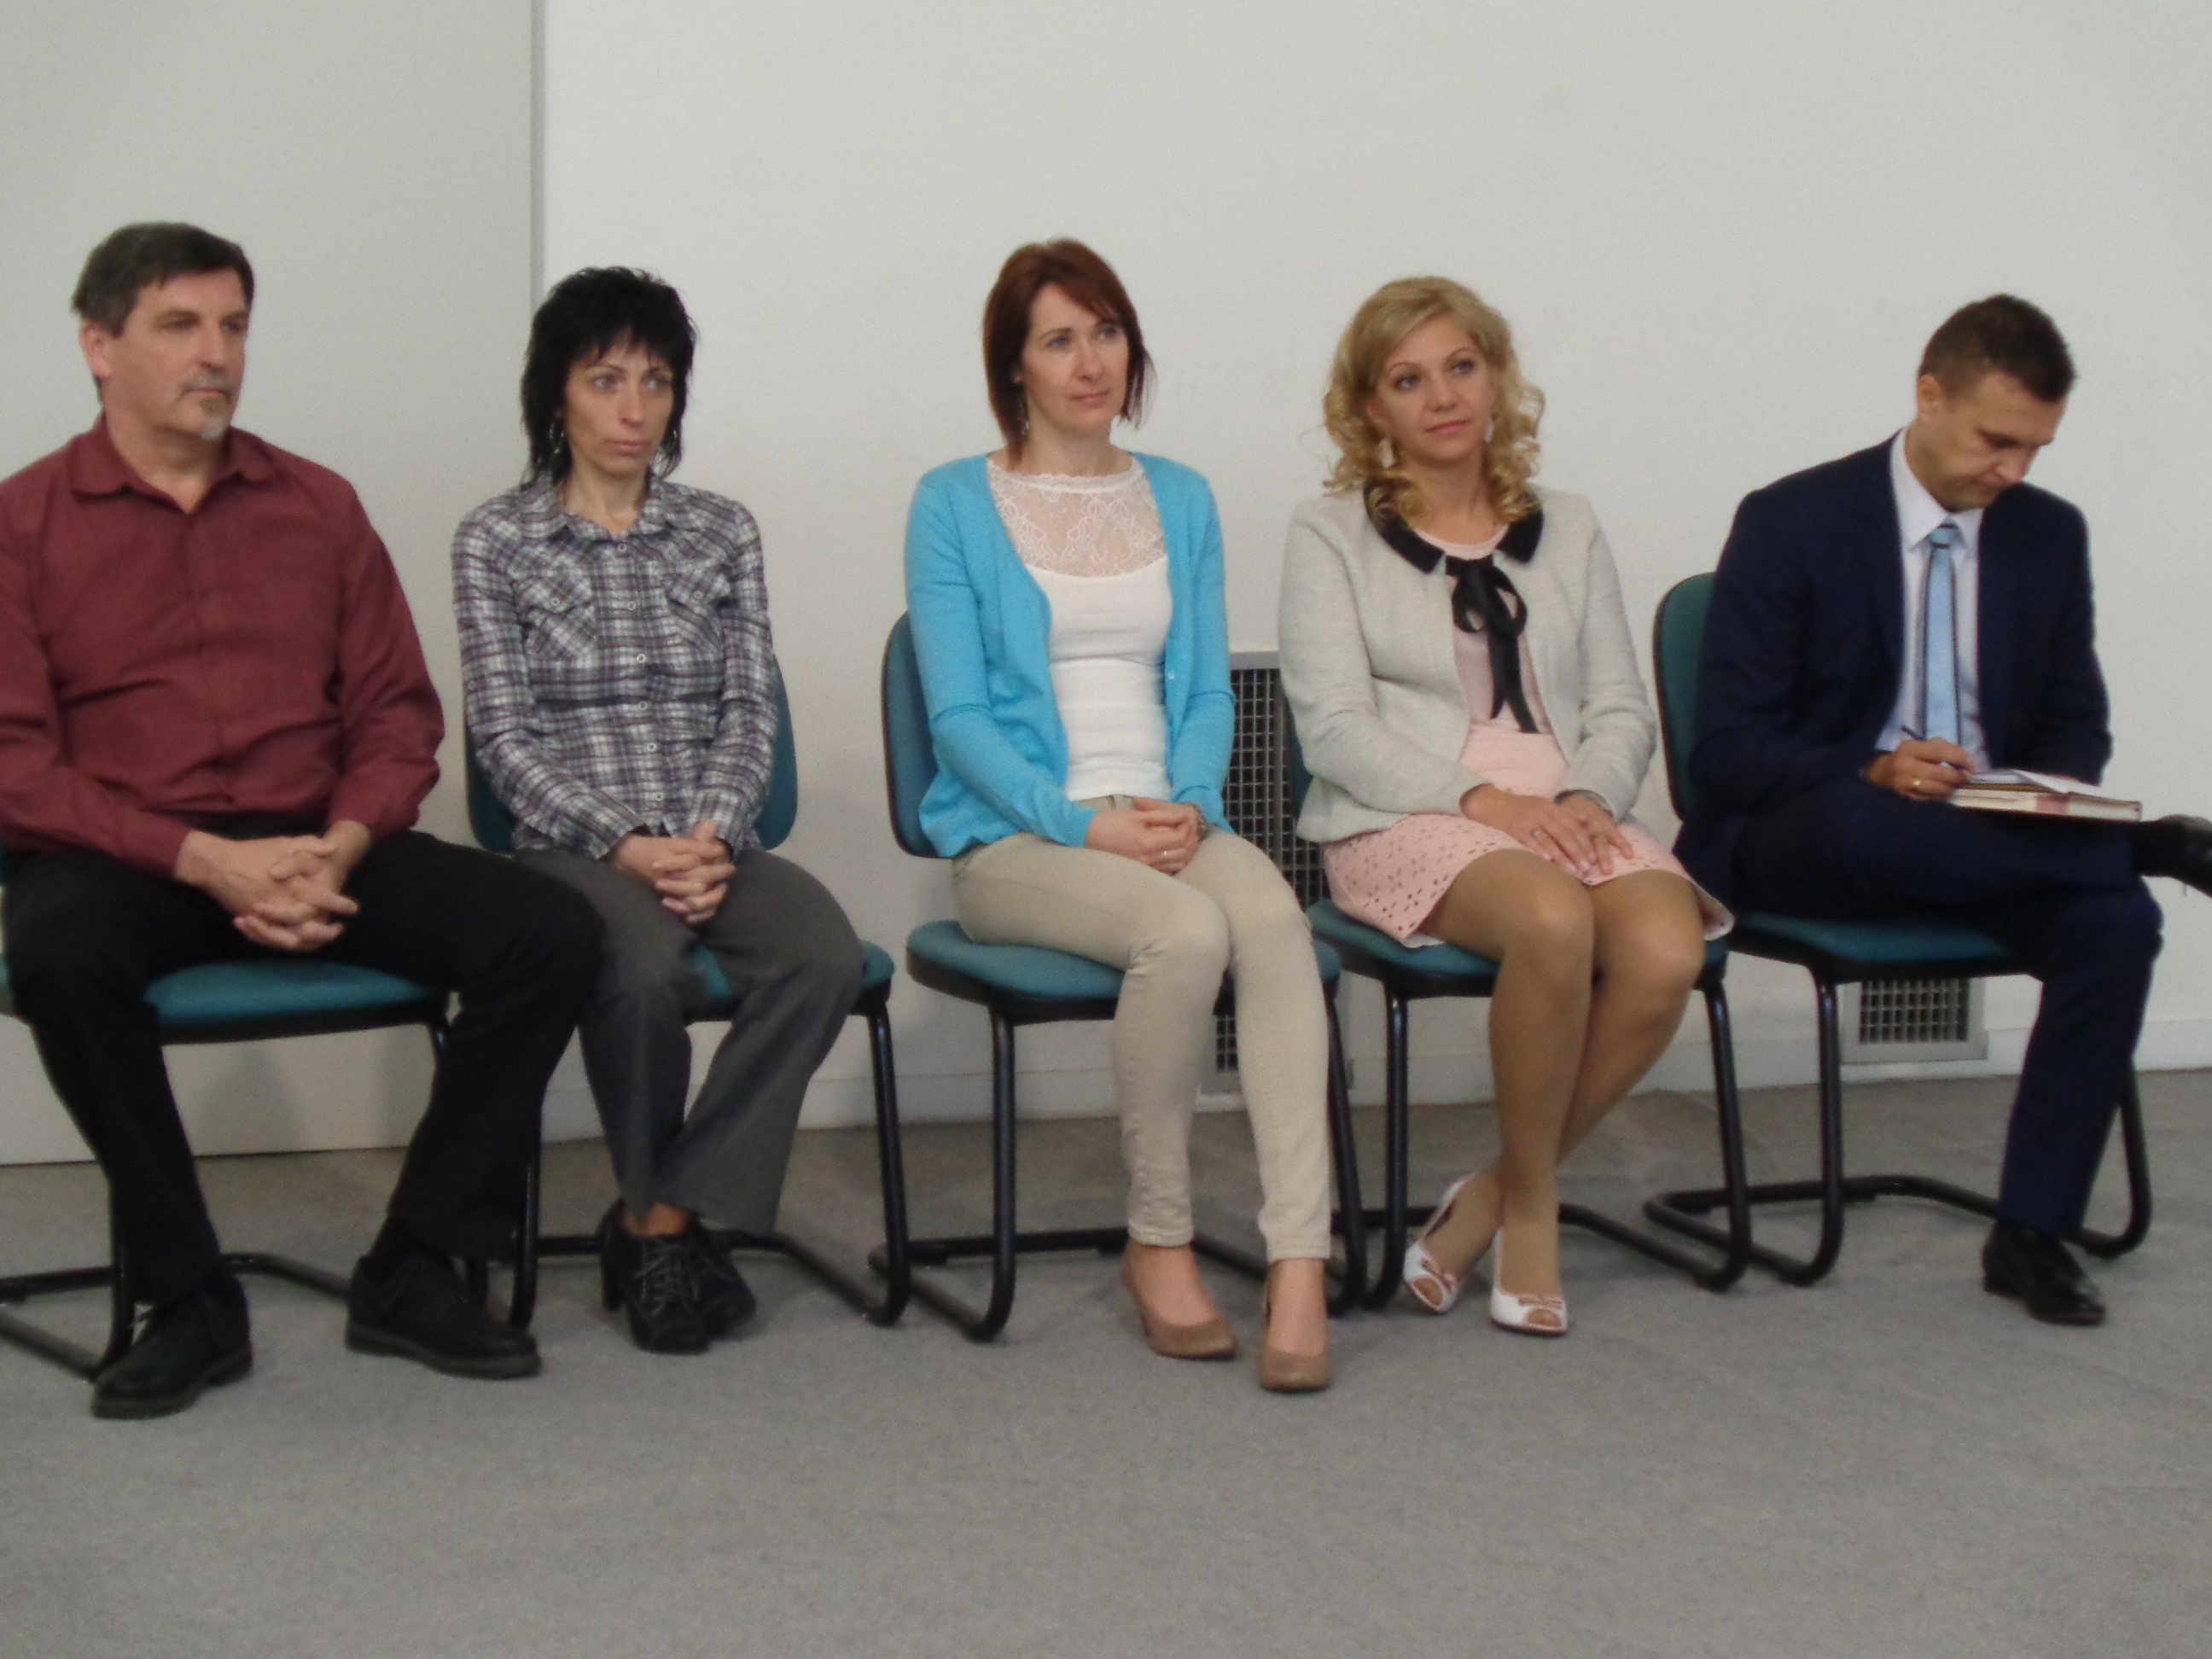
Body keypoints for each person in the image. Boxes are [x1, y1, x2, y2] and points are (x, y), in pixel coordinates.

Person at [0, 223, 603, 1418]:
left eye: (233, 326)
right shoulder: (23, 524)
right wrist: (200, 859)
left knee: (547, 933)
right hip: (130, 854)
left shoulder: (317, 505)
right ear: (99, 347)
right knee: (59, 953)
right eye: (180, 326)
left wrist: (342, 842)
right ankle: (188, 1295)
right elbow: (14, 763)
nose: (215, 354)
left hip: (318, 840)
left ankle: (415, 1265)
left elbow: (397, 717)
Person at [1679, 294, 2212, 1326]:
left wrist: (2034, 796)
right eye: (1996, 441)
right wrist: (1874, 769)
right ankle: (2147, 847)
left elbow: (2075, 726)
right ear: (1929, 397)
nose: (2013, 470)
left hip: (1988, 840)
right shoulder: (1794, 519)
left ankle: (2032, 1234)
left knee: (2118, 923)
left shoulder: (2047, 535)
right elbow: (1727, 753)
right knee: (1866, 822)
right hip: (1816, 828)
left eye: (2036, 449)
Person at [905, 239, 1334, 1392]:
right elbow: (958, 721)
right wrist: (1082, 825)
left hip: (1165, 812)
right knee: (1184, 932)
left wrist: (1185, 806)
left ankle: (1300, 1258)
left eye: (1106, 334)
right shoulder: (952, 502)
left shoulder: (1180, 497)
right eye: (1059, 340)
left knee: (1276, 923)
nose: (1090, 362)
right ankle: (1160, 1239)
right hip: (1021, 839)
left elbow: (1205, 693)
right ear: (1015, 367)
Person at [1280, 276, 1728, 1335]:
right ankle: (1533, 1212)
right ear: (1371, 408)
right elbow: (1334, 730)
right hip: (1406, 813)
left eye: (1461, 367)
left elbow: (1619, 704)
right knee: (1552, 919)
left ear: (1496, 377)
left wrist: (1588, 796)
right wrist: (1485, 802)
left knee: (1667, 946)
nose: (1442, 397)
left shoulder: (1568, 526)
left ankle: (1489, 1192)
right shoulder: (1329, 534)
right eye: (1408, 380)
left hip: (1562, 806)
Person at [454, 268, 864, 1355]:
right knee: (640, 975)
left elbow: (750, 707)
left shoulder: (721, 531)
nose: (634, 407)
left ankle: (656, 1220)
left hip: (708, 837)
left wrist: (709, 834)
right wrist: (627, 846)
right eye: (605, 380)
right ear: (556, 394)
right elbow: (502, 741)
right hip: (575, 849)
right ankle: (667, 1230)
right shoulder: (495, 540)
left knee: (823, 956)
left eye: (656, 381)